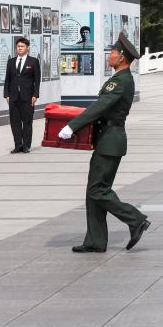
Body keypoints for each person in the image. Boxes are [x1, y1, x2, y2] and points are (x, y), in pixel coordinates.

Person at [58, 32, 150, 253]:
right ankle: (96, 240)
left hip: (111, 141)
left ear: (122, 57)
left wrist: (72, 126)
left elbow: (100, 107)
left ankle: (135, 219)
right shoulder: (120, 78)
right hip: (106, 140)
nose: (110, 55)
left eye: (113, 52)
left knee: (98, 190)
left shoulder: (121, 80)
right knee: (94, 190)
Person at [3, 37, 40, 154]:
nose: (19, 48)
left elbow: (37, 80)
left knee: (27, 122)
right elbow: (7, 80)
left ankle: (26, 145)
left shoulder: (33, 61)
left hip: (28, 97)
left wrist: (35, 95)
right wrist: (6, 95)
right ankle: (18, 145)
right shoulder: (11, 61)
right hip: (13, 97)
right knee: (15, 122)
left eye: (22, 46)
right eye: (18, 46)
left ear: (27, 48)